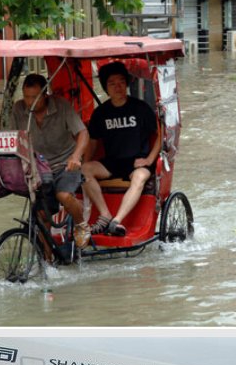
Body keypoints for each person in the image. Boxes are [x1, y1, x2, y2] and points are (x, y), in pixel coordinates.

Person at [11, 74, 107, 249]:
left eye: (34, 97)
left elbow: (82, 133)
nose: (29, 102)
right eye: (26, 97)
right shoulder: (18, 109)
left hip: (65, 163)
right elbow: (14, 139)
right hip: (38, 166)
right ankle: (47, 261)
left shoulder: (61, 106)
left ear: (45, 95)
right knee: (41, 213)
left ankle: (81, 224)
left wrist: (76, 157)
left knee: (63, 195)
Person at [81, 61, 162, 237]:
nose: (118, 87)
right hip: (113, 162)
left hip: (137, 161)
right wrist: (85, 163)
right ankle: (105, 214)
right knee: (84, 170)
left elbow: (160, 136)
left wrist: (149, 160)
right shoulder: (100, 113)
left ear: (126, 83)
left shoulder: (140, 108)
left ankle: (117, 221)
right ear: (105, 88)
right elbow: (93, 142)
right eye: (112, 83)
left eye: (121, 82)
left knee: (140, 177)